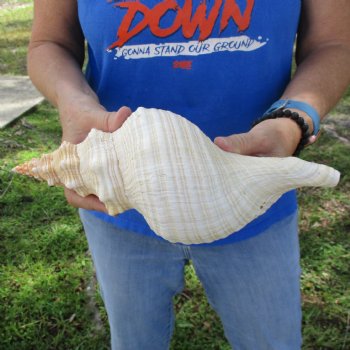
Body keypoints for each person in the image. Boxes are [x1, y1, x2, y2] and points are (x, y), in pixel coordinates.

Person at [28, 0, 350, 349]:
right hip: (120, 206)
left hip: (256, 208)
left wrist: (293, 119)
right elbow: (50, 42)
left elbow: (333, 44)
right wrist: (71, 99)